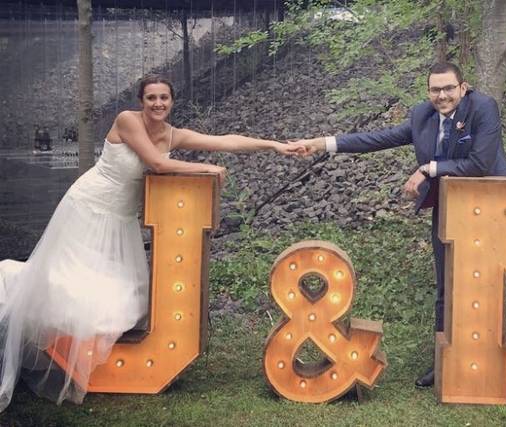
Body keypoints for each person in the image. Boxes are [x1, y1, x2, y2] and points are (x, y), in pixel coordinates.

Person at [0, 75, 303, 411]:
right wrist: (208, 169)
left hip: (121, 220)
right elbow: (157, 163)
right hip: (88, 209)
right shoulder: (127, 121)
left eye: (164, 98)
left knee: (121, 304)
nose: (158, 104)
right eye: (151, 98)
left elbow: (226, 141)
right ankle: (26, 303)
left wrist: (275, 146)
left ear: (172, 101)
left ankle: (89, 356)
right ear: (141, 101)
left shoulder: (173, 134)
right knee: (74, 289)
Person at [291, 62, 506, 388]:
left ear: (463, 88)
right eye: (435, 89)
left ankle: (482, 364)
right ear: (428, 92)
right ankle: (444, 363)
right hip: (452, 209)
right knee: (446, 285)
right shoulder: (422, 115)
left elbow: (480, 163)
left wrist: (428, 169)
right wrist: (322, 143)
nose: (442, 95)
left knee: (483, 287)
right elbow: (376, 138)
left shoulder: (483, 108)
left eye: (449, 88)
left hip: (493, 207)